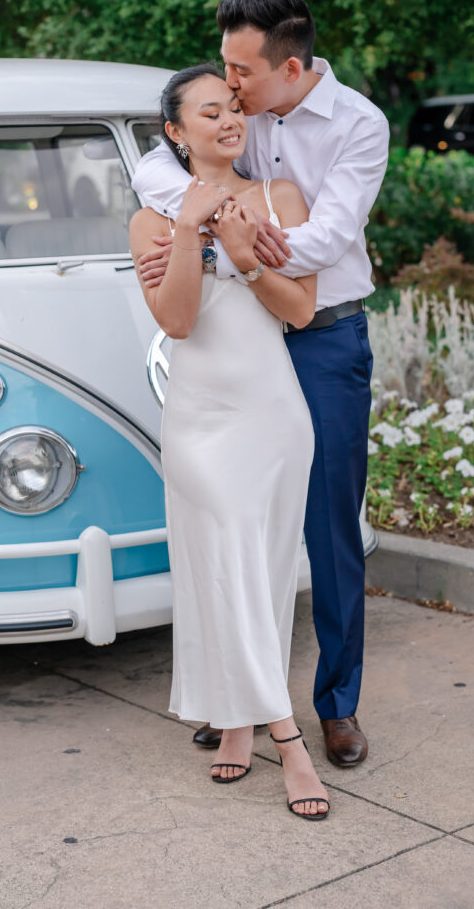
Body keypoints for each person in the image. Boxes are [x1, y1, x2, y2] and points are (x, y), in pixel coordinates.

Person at [133, 0, 390, 768]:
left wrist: (228, 243)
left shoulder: (357, 125)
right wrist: (212, 227)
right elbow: (157, 172)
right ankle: (235, 695)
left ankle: (335, 705)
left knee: (326, 526)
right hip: (235, 344)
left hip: (322, 336)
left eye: (240, 70)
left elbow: (328, 238)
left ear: (289, 66)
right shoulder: (227, 117)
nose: (229, 84)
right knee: (231, 525)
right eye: (222, 69)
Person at [130, 64, 329, 820]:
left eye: (232, 108)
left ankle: (238, 726)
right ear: (176, 134)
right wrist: (190, 230)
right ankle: (289, 742)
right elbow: (177, 321)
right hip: (199, 419)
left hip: (274, 415)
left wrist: (244, 258)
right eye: (207, 112)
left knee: (263, 572)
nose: (226, 120)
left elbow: (300, 310)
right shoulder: (152, 218)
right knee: (226, 563)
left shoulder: (279, 198)